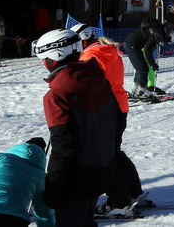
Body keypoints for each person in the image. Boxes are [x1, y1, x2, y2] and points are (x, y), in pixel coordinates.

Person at [34, 28, 119, 227]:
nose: (44, 64)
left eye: (44, 59)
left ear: (54, 57)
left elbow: (63, 144)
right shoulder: (98, 77)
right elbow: (115, 124)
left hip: (76, 179)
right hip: (101, 169)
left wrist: (54, 186)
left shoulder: (58, 94)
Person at [71, 25, 151, 219]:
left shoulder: (90, 56)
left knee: (106, 156)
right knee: (115, 153)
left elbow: (89, 86)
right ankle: (134, 192)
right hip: (118, 105)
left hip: (106, 109)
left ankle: (119, 201)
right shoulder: (106, 50)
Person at [122, 18, 167, 101]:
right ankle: (141, 90)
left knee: (141, 67)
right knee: (142, 68)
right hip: (132, 46)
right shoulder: (158, 33)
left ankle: (137, 90)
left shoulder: (158, 30)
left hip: (133, 45)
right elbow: (147, 49)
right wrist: (152, 63)